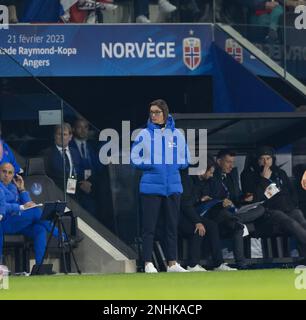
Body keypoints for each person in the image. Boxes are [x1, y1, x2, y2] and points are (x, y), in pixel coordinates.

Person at [131, 99, 189, 273]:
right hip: (151, 187)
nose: (154, 115)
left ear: (165, 113)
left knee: (172, 226)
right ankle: (148, 262)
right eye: (151, 112)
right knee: (149, 227)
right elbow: (134, 158)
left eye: (157, 112)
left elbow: (186, 158)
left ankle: (172, 263)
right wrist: (152, 163)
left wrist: (175, 164)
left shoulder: (177, 134)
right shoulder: (144, 134)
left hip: (172, 186)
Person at [240, 146, 306, 257]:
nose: (266, 162)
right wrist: (264, 179)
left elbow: (291, 192)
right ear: (257, 160)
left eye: (268, 158)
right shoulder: (249, 175)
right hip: (267, 212)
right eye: (262, 159)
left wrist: (292, 205)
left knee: (300, 217)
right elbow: (256, 199)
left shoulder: (279, 173)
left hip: (287, 208)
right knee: (291, 223)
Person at [179, 155, 237, 271]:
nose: (211, 175)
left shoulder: (203, 181)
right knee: (199, 228)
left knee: (212, 226)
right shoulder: (187, 180)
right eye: (210, 172)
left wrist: (202, 200)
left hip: (193, 213)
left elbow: (196, 200)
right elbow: (185, 204)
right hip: (180, 216)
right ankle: (192, 264)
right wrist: (197, 222)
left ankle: (218, 264)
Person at [0, 162, 61, 265]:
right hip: (5, 222)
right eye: (4, 172)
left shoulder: (13, 187)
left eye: (10, 173)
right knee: (35, 211)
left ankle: (39, 267)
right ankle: (61, 236)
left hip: (17, 221)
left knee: (39, 229)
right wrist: (21, 207)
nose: (7, 175)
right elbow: (3, 206)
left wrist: (22, 189)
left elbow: (27, 203)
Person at [43, 123, 97, 216]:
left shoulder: (75, 152)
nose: (62, 137)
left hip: (77, 193)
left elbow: (79, 172)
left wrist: (86, 182)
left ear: (70, 137)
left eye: (65, 134)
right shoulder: (47, 154)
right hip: (59, 194)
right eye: (59, 134)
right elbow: (47, 177)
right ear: (54, 136)